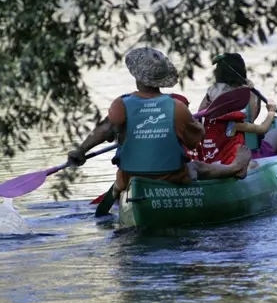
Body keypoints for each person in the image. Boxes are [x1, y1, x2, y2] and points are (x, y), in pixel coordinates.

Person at [67, 47, 252, 200]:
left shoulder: (121, 104)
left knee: (119, 183)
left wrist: (81, 151)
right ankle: (235, 167)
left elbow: (104, 130)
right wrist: (196, 125)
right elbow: (194, 141)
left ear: (137, 77)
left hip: (131, 178)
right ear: (161, 80)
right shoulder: (178, 108)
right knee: (198, 166)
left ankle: (117, 194)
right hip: (173, 177)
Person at [197, 53, 277, 160]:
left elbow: (199, 116)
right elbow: (253, 120)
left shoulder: (211, 92)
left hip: (217, 155)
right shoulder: (247, 93)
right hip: (244, 153)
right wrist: (271, 111)